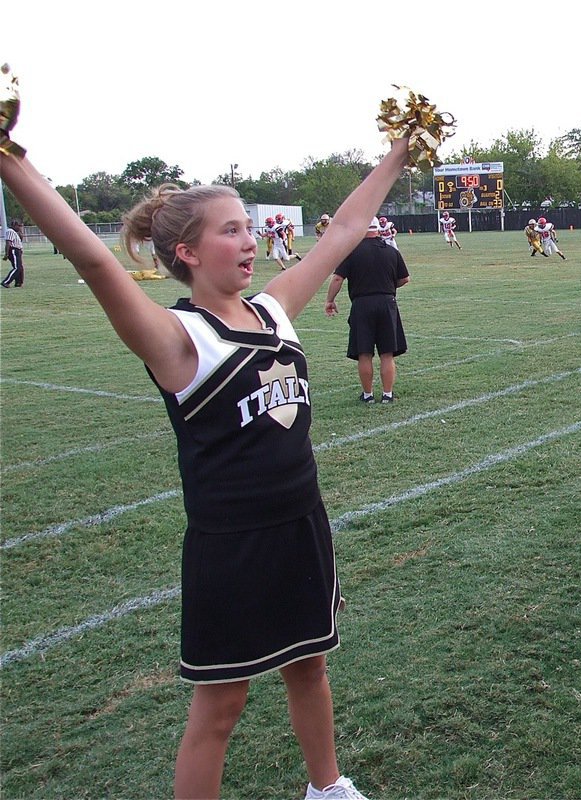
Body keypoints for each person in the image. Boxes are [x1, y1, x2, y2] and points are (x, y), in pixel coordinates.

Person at [1, 130, 412, 799]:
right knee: (219, 709)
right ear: (187, 253)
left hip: (302, 523)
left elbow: (342, 230)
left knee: (311, 667)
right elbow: (95, 261)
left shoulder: (275, 310)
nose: (249, 240)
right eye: (230, 231)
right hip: (232, 545)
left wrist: (400, 154)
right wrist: (11, 160)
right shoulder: (177, 338)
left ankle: (327, 787)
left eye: (249, 227)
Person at [324, 218, 411, 404]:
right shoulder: (391, 251)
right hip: (387, 303)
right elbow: (404, 279)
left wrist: (330, 300)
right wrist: (387, 286)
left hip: (362, 304)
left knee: (364, 353)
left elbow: (338, 279)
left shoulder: (351, 252)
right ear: (378, 230)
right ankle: (387, 394)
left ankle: (368, 395)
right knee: (387, 353)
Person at [2, 219, 25, 287]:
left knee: (20, 268)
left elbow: (21, 238)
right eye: (19, 226)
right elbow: (8, 242)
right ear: (14, 225)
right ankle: (6, 282)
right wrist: (6, 254)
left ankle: (19, 282)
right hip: (13, 250)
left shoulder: (15, 232)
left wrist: (20, 231)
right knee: (17, 268)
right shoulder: (10, 231)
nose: (19, 227)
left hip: (17, 251)